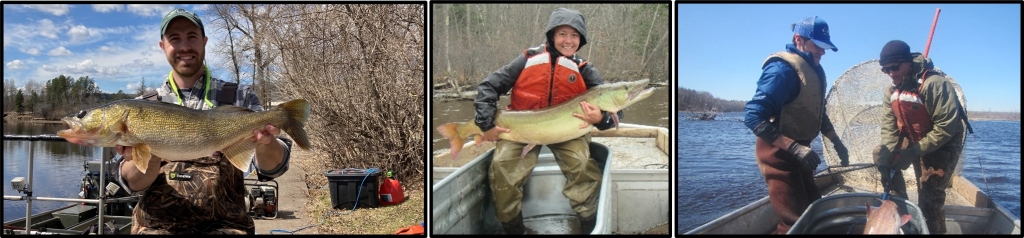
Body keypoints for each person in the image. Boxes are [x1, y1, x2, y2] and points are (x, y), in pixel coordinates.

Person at [111, 9, 294, 234]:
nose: (184, 46)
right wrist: (149, 157)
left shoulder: (240, 97)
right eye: (174, 38)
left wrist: (266, 144)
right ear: (163, 46)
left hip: (226, 228)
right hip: (156, 228)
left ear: (204, 41)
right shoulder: (142, 107)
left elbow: (274, 169)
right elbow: (131, 184)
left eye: (192, 36)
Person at [473, 7, 620, 235]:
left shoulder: (585, 68)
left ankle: (589, 226)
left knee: (582, 167)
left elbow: (616, 113)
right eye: (562, 33)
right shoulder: (527, 58)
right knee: (502, 167)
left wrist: (600, 119)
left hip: (567, 132)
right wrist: (487, 125)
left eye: (574, 35)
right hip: (521, 128)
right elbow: (488, 86)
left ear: (581, 39)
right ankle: (515, 230)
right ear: (552, 35)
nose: (568, 40)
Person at [744, 16, 850, 235]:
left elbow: (817, 113)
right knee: (796, 222)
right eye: (818, 45)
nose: (823, 52)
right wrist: (793, 148)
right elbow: (753, 116)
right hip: (777, 152)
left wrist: (837, 142)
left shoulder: (815, 70)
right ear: (799, 39)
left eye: (825, 47)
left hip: (801, 151)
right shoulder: (782, 70)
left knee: (815, 208)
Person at [874, 39, 968, 234]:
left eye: (895, 67)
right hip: (913, 134)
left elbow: (944, 128)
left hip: (943, 141)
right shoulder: (891, 92)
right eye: (886, 69)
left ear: (908, 63)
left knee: (929, 194)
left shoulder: (934, 84)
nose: (891, 73)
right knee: (881, 154)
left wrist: (913, 153)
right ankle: (900, 210)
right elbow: (889, 129)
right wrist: (887, 160)